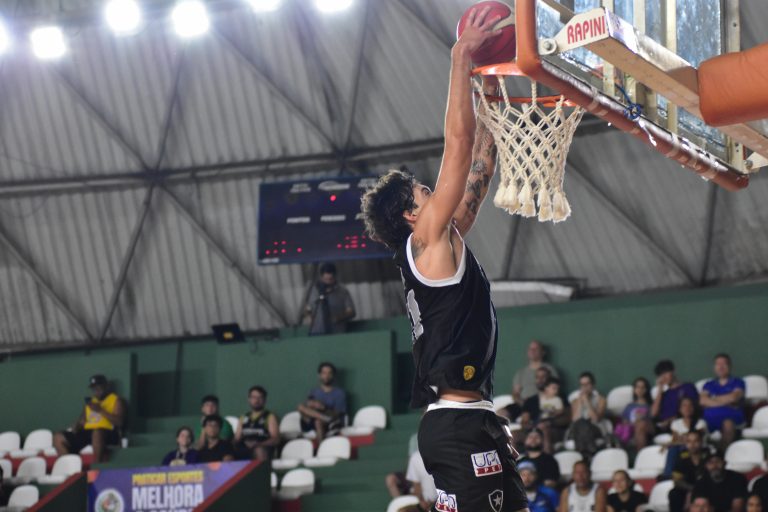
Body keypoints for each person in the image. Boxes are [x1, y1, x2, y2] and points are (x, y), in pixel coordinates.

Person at [361, 7, 529, 511]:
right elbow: (457, 147)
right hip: (457, 425)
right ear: (411, 215)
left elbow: (480, 164)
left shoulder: (442, 241)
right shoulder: (426, 242)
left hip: (471, 420)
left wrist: (490, 85)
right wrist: (462, 57)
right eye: (422, 190)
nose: (432, 190)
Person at [53, 374, 126, 463]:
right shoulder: (91, 403)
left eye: (98, 388)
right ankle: (70, 465)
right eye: (93, 388)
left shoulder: (116, 400)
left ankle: (97, 466)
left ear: (106, 386)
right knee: (58, 437)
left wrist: (100, 410)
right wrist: (77, 426)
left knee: (97, 432)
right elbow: (82, 421)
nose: (96, 391)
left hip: (107, 432)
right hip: (88, 432)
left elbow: (119, 422)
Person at [700, 354, 745, 449]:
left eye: (724, 364)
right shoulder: (709, 384)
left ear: (729, 366)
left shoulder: (738, 382)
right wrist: (726, 401)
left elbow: (733, 397)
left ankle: (722, 455)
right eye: (718, 364)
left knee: (727, 424)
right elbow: (702, 400)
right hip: (709, 420)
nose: (720, 367)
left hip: (732, 417)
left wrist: (712, 399)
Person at [297, 362, 347, 441]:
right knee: (300, 406)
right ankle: (324, 418)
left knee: (318, 422)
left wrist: (323, 408)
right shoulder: (314, 391)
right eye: (324, 373)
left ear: (333, 376)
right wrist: (311, 405)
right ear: (319, 375)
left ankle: (321, 448)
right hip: (313, 419)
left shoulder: (339, 393)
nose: (326, 376)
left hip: (331, 422)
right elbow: (307, 408)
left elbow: (337, 414)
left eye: (329, 373)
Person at [303, 262, 356, 335]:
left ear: (335, 277)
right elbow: (307, 308)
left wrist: (338, 318)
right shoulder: (313, 291)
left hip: (336, 333)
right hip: (316, 332)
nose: (328, 282)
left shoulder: (342, 291)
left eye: (330, 279)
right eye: (325, 279)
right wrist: (308, 316)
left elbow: (351, 312)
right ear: (321, 277)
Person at [234, 386, 279, 461]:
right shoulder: (243, 417)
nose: (256, 400)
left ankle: (262, 469)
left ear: (264, 400)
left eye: (260, 397)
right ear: (249, 399)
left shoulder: (270, 416)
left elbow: (276, 439)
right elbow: (236, 439)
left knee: (259, 450)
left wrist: (258, 444)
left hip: (262, 447)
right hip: (245, 447)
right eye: (254, 397)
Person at [651, 360, 699, 431]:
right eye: (661, 375)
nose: (664, 377)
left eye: (665, 373)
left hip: (682, 424)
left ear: (673, 371)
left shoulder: (687, 387)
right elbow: (653, 414)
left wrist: (672, 420)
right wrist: (660, 389)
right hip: (663, 427)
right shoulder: (663, 395)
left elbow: (693, 408)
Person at [669, 431, 709, 512]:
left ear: (701, 442)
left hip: (706, 489)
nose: (692, 445)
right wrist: (692, 489)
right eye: (689, 441)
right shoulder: (681, 457)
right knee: (674, 493)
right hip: (687, 488)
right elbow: (677, 481)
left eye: (696, 441)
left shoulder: (708, 455)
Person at [569, 372, 607, 456]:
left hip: (595, 428)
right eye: (582, 385)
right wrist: (580, 402)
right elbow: (575, 419)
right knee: (581, 423)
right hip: (577, 428)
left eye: (587, 384)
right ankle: (591, 451)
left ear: (593, 385)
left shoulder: (601, 399)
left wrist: (587, 401)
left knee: (583, 424)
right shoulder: (575, 401)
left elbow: (596, 419)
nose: (584, 387)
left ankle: (582, 455)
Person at [512, 340, 560, 404]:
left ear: (543, 352)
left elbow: (555, 390)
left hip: (545, 405)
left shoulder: (550, 370)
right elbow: (515, 394)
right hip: (524, 405)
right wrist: (523, 404)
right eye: (530, 348)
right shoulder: (521, 373)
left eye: (536, 349)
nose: (532, 351)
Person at [616, 377, 654, 450]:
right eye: (637, 387)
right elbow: (624, 422)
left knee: (641, 423)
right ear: (634, 389)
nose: (640, 390)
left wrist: (642, 418)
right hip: (631, 430)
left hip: (646, 429)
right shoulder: (629, 406)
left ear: (646, 390)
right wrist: (633, 423)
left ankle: (640, 454)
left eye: (642, 387)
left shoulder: (650, 405)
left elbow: (652, 421)